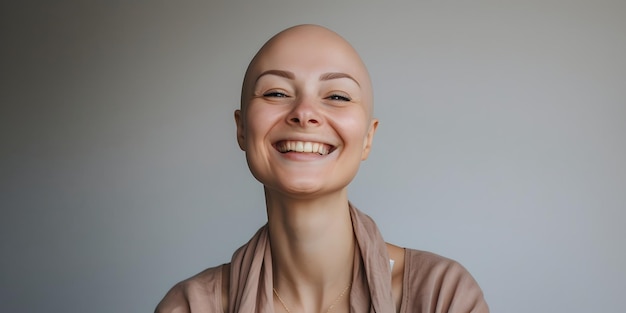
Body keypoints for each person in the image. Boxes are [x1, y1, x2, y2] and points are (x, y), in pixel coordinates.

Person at [155, 24, 489, 313]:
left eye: (338, 97)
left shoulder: (442, 297)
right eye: (276, 92)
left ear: (368, 138)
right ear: (242, 129)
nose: (304, 112)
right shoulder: (192, 306)